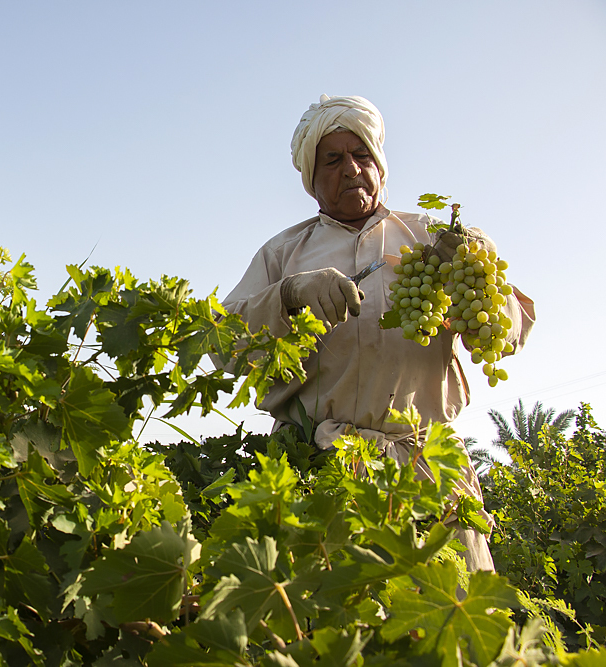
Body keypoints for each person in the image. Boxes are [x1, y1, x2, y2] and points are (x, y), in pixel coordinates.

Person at [219, 94, 536, 571]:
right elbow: (224, 344)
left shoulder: (433, 238)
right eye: (333, 160)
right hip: (317, 470)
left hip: (428, 474)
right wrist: (289, 295)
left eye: (361, 154)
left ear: (380, 165)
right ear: (311, 179)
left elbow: (508, 329)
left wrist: (470, 270)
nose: (350, 168)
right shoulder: (283, 253)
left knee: (448, 606)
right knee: (330, 608)